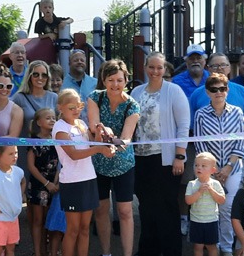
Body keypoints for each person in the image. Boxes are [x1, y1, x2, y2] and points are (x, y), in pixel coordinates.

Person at [130, 52, 190, 256]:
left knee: (167, 208)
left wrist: (180, 156)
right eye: (152, 67)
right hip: (141, 159)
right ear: (145, 68)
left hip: (166, 160)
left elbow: (183, 125)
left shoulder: (174, 91)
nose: (155, 71)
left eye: (159, 67)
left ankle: (171, 251)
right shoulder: (136, 92)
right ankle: (148, 251)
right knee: (146, 208)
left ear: (165, 70)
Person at [87, 59, 140, 256]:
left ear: (126, 80)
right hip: (99, 162)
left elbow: (127, 136)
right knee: (101, 210)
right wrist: (103, 130)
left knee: (125, 211)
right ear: (104, 80)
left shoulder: (133, 105)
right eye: (111, 80)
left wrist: (116, 144)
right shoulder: (95, 97)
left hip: (123, 164)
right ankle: (106, 252)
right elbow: (93, 125)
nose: (115, 85)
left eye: (119, 80)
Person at [53, 89, 115, 256]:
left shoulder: (81, 124)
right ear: (60, 108)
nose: (76, 110)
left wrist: (102, 135)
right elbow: (73, 154)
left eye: (79, 106)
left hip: (88, 179)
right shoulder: (59, 128)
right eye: (72, 107)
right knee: (72, 230)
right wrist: (98, 149)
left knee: (85, 229)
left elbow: (94, 144)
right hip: (72, 183)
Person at [193, 73, 244, 256]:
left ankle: (226, 247)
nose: (218, 93)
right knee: (207, 207)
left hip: (233, 168)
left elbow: (241, 142)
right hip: (209, 171)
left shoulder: (237, 112)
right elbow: (200, 144)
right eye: (214, 89)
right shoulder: (200, 115)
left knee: (227, 209)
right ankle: (209, 244)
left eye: (222, 89)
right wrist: (213, 172)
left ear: (227, 90)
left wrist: (228, 168)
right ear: (208, 92)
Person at [189, 52, 244, 130]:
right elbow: (193, 126)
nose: (220, 68)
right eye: (215, 66)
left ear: (229, 68)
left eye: (223, 65)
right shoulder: (197, 94)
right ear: (208, 69)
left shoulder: (242, 91)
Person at [11, 60, 59, 169]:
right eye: (36, 74)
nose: (40, 78)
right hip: (26, 149)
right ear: (29, 76)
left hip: (49, 151)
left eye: (44, 75)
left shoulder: (54, 97)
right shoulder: (19, 97)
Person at [27, 108, 62, 256]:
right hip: (38, 185)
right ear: (39, 122)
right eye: (48, 118)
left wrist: (56, 182)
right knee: (37, 220)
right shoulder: (33, 141)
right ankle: (38, 251)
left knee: (49, 220)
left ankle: (49, 250)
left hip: (54, 186)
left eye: (53, 117)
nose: (52, 120)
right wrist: (46, 183)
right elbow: (31, 166)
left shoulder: (58, 139)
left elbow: (61, 161)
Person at [185, 152, 227, 256]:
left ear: (213, 170)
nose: (199, 168)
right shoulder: (192, 184)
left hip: (211, 221)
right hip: (196, 221)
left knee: (211, 246)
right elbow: (188, 201)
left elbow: (222, 200)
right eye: (196, 165)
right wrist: (199, 192)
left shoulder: (216, 184)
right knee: (197, 246)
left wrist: (211, 190)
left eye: (203, 166)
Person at [62, 49, 99, 122]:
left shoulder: (95, 83)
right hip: (69, 128)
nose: (79, 62)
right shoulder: (62, 84)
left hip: (92, 128)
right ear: (69, 63)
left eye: (82, 60)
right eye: (76, 60)